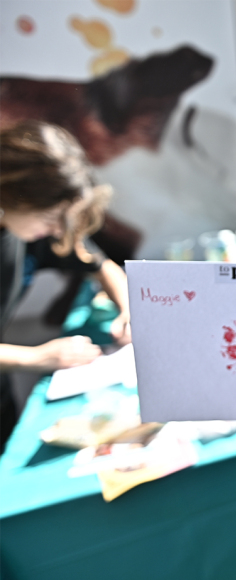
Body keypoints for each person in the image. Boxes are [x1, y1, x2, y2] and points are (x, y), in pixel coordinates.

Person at [1, 120, 131, 452]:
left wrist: (129, 308)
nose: (60, 231)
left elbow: (100, 264)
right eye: (51, 218)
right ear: (13, 195)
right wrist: (34, 358)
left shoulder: (29, 228)